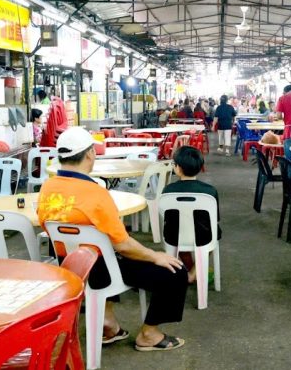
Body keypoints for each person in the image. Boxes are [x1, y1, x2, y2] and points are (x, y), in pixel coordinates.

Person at [37, 127, 188, 351]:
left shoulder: (48, 187)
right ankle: (149, 334)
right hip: (100, 271)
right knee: (175, 271)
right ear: (90, 154)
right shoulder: (95, 193)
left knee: (107, 249)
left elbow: (45, 226)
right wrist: (155, 256)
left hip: (68, 266)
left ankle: (108, 324)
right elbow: (124, 244)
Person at [161, 146, 221, 283]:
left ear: (177, 167)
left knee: (177, 236)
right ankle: (194, 272)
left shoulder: (168, 190)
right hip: (204, 236)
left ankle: (190, 271)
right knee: (215, 234)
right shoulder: (210, 191)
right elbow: (215, 219)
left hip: (174, 236)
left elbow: (167, 219)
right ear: (200, 167)